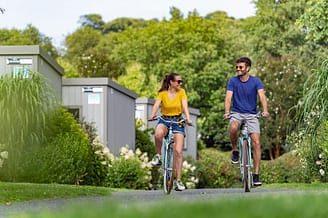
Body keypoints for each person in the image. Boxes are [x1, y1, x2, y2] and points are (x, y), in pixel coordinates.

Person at [223, 57, 269, 186]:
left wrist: (265, 110)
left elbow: (262, 96)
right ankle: (235, 150)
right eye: (237, 67)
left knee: (256, 142)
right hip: (237, 112)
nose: (238, 69)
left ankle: (256, 175)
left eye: (241, 67)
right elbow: (228, 98)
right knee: (232, 128)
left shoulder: (256, 81)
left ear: (248, 68)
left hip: (252, 114)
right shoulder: (233, 81)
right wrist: (227, 112)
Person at [148, 72, 192, 191]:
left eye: (181, 81)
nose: (180, 83)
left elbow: (185, 106)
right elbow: (156, 105)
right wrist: (152, 115)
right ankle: (158, 156)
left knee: (178, 151)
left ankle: (178, 180)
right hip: (164, 120)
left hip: (178, 122)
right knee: (158, 133)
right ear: (171, 82)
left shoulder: (181, 92)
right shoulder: (162, 94)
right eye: (178, 81)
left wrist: (188, 118)